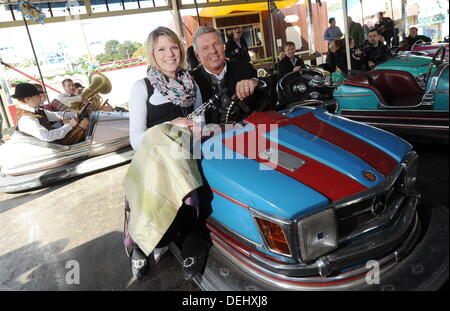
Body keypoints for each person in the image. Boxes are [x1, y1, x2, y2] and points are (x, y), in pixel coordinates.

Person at [126, 26, 207, 280]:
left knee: (191, 201)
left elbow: (201, 122)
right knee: (156, 206)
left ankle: (190, 237)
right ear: (152, 53)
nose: (169, 54)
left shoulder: (191, 83)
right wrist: (171, 126)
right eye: (161, 49)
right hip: (154, 165)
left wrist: (196, 128)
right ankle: (141, 246)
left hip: (185, 156)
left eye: (174, 47)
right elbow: (135, 140)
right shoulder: (142, 87)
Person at [190, 26, 274, 123]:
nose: (213, 51)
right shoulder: (191, 81)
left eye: (216, 44)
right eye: (205, 48)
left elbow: (270, 87)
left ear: (223, 46)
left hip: (249, 132)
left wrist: (257, 82)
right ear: (197, 56)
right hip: (211, 136)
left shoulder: (244, 68)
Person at [11, 83, 89, 145]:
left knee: (84, 121)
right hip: (54, 145)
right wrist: (70, 125)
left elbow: (56, 115)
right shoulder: (26, 119)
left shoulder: (36, 110)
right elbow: (47, 136)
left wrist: (75, 113)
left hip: (54, 142)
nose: (40, 97)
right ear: (27, 99)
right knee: (84, 123)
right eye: (38, 95)